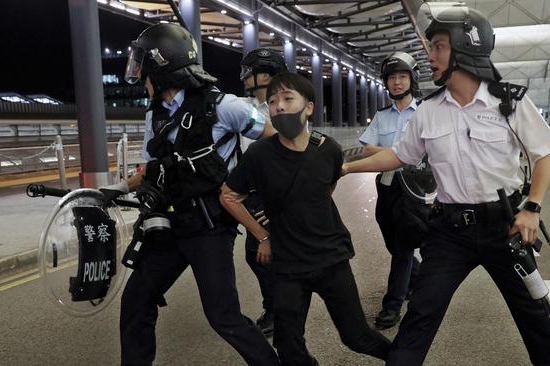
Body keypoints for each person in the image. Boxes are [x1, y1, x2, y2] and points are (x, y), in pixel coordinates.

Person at [342, 5, 550, 365]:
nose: (430, 56)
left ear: (465, 46)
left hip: (504, 228)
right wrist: (345, 167)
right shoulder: (429, 109)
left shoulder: (509, 101)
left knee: (535, 315)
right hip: (449, 232)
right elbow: (399, 155)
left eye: (438, 46)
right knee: (420, 315)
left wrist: (532, 208)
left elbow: (545, 155)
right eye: (431, 47)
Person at [100, 23, 279, 365]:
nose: (139, 74)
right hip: (169, 222)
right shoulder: (154, 114)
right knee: (137, 298)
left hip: (210, 228)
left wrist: (258, 191)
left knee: (223, 316)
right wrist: (117, 188)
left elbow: (275, 141)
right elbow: (151, 168)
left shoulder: (225, 106)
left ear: (160, 66)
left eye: (143, 65)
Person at [220, 72, 391, 366]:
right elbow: (228, 195)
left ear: (308, 107)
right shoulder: (259, 154)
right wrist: (262, 235)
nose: (279, 107)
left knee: (356, 336)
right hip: (287, 266)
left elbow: (325, 188)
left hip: (331, 259)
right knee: (289, 347)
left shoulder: (329, 150)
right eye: (273, 102)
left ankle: (403, 358)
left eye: (288, 99)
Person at [359, 51, 425, 329]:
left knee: (402, 249)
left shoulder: (425, 112)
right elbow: (366, 147)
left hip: (415, 190)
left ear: (412, 80)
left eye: (402, 76)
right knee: (393, 244)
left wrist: (399, 154)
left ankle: (393, 305)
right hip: (386, 187)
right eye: (392, 78)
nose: (396, 82)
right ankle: (418, 279)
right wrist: (399, 153)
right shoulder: (382, 116)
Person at [238, 47, 288, 336]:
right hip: (250, 189)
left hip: (270, 190)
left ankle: (279, 310)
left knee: (261, 252)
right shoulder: (248, 106)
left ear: (265, 75)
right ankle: (279, 307)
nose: (244, 77)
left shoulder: (280, 107)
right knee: (260, 252)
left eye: (250, 71)